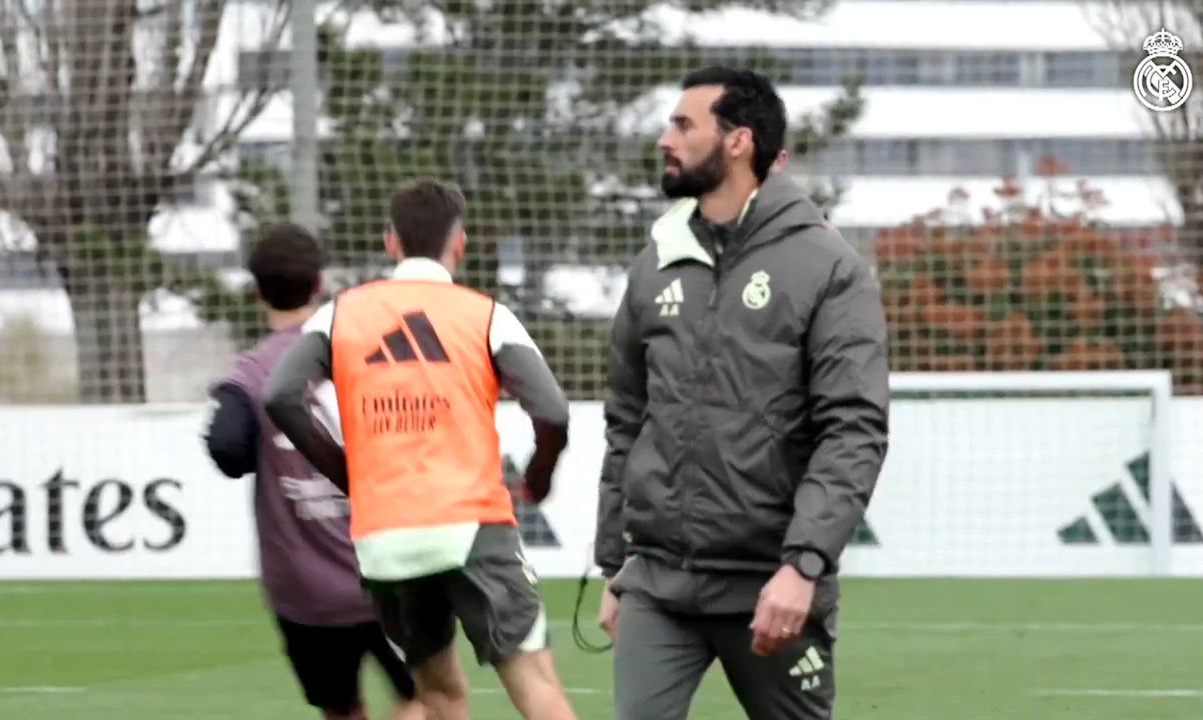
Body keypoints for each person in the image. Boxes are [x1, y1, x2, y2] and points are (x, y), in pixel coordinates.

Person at [593, 66, 891, 719]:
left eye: (683, 124)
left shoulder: (828, 267)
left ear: (738, 141)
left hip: (772, 585)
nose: (665, 139)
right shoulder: (656, 261)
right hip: (658, 583)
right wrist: (616, 564)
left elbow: (853, 430)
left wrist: (804, 565)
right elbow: (627, 420)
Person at [263, 179, 581, 720]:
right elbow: (551, 411)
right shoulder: (483, 314)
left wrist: (351, 475)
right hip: (472, 526)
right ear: (458, 243)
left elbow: (280, 396)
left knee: (438, 696)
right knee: (536, 689)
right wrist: (540, 478)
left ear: (391, 242)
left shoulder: (340, 314)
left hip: (386, 538)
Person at [202, 223, 427, 720]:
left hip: (304, 592)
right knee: (427, 700)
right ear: (321, 284)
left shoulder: (251, 372)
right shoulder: (373, 356)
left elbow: (226, 449)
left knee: (341, 708)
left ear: (259, 291)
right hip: (388, 570)